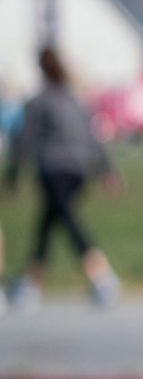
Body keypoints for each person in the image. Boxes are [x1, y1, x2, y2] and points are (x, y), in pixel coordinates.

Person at [5, 45, 121, 310]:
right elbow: (93, 137)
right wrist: (107, 170)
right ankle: (29, 284)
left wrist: (12, 175)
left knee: (66, 219)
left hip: (55, 168)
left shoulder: (40, 102)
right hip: (80, 170)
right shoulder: (74, 100)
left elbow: (24, 139)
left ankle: (101, 275)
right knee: (49, 221)